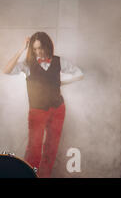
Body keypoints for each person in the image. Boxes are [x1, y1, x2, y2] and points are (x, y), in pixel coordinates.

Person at [2, 32, 83, 178]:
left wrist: (62, 82)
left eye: (41, 48)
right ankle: (28, 175)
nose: (38, 52)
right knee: (34, 148)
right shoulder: (27, 65)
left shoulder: (59, 61)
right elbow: (6, 70)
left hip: (58, 108)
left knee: (51, 148)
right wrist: (22, 49)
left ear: (47, 46)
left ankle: (44, 176)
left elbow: (79, 74)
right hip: (37, 111)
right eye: (34, 49)